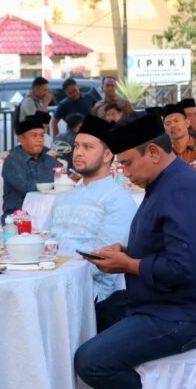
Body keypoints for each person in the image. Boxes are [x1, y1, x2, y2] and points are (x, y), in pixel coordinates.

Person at [74, 112, 196, 389]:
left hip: (187, 314)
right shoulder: (162, 184)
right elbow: (168, 249)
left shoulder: (181, 190)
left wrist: (128, 264)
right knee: (84, 317)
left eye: (128, 163)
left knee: (91, 360)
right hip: (160, 303)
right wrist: (127, 252)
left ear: (153, 153)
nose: (124, 172)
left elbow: (184, 268)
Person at [44, 115, 137, 301]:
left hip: (87, 294)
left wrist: (52, 274)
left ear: (108, 154)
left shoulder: (118, 201)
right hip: (49, 281)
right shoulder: (63, 198)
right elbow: (45, 244)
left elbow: (102, 263)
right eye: (77, 146)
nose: (78, 153)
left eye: (88, 147)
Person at [1, 115, 57, 222]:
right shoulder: (12, 161)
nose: (39, 140)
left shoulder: (49, 159)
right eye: (34, 136)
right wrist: (57, 183)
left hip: (47, 213)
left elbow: (64, 174)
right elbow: (28, 187)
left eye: (41, 136)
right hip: (17, 217)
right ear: (21, 138)